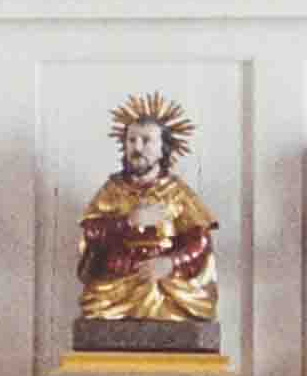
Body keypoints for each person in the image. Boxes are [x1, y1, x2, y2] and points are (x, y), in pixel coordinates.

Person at [75, 93, 218, 328]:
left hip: (166, 282)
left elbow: (199, 240)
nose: (137, 148)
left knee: (192, 304)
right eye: (131, 140)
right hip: (119, 283)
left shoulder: (177, 192)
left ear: (163, 149)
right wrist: (128, 222)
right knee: (95, 305)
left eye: (146, 140)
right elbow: (91, 233)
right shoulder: (112, 190)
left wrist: (170, 263)